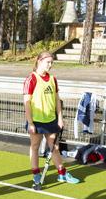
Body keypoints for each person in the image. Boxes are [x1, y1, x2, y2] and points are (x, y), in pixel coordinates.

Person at [23, 51, 79, 189]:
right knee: (35, 147)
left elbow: (57, 100)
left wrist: (60, 118)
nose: (50, 65)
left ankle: (62, 173)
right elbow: (27, 103)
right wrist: (30, 123)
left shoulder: (53, 79)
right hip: (36, 121)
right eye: (48, 62)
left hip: (51, 120)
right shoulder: (31, 79)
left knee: (55, 147)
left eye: (52, 62)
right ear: (39, 61)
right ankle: (36, 173)